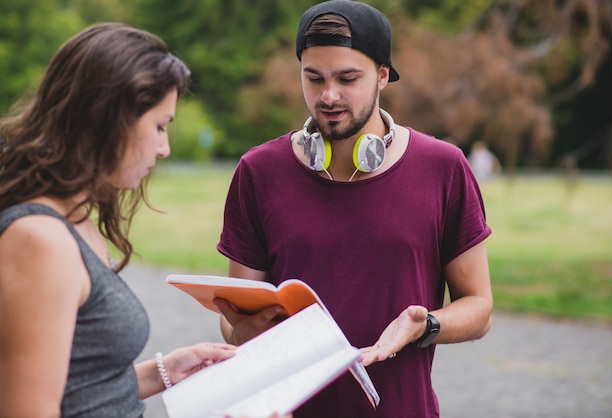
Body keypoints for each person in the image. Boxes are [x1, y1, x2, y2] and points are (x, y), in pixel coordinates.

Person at [215, 1, 493, 417]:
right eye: (314, 78)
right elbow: (234, 322)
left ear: (383, 74)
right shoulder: (258, 172)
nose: (328, 96)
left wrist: (425, 326)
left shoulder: (444, 167)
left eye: (347, 78)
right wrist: (246, 329)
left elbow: (479, 307)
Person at [0, 23, 241, 418]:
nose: (164, 149)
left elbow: (81, 385)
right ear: (108, 119)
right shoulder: (38, 239)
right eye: (159, 126)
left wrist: (162, 372)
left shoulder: (74, 218)